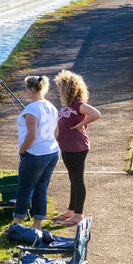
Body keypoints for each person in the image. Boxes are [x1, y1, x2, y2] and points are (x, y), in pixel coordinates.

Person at [53, 70, 101, 226]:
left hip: (77, 148)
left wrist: (81, 125)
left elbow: (95, 113)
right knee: (72, 179)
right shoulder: (67, 105)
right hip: (66, 147)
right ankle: (71, 210)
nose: (58, 89)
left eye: (60, 86)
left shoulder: (78, 104)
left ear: (67, 88)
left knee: (77, 180)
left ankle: (79, 215)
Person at [14, 75, 59, 229]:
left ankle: (16, 224)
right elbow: (57, 132)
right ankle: (37, 225)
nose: (27, 92)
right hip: (52, 153)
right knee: (41, 187)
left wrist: (22, 149)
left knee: (24, 189)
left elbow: (31, 135)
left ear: (32, 89)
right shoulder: (51, 107)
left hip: (35, 155)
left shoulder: (32, 109)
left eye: (27, 89)